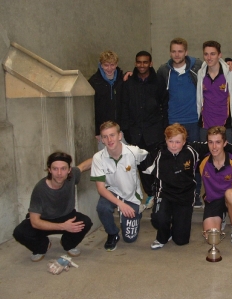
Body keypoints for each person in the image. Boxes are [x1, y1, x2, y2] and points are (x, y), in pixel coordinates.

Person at [143, 123, 232, 250]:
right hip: (165, 195)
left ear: (185, 141)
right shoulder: (158, 153)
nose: (174, 145)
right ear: (166, 140)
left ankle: (176, 227)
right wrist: (152, 191)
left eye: (178, 142)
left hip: (184, 197)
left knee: (181, 240)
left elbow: (217, 145)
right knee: (158, 219)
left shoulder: (192, 149)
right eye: (171, 141)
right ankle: (163, 236)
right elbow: (142, 166)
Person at [13, 152, 93, 262]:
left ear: (69, 170)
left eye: (63, 168)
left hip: (67, 215)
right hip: (44, 220)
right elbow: (35, 222)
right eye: (55, 169)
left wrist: (106, 155)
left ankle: (68, 244)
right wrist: (63, 226)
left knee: (85, 222)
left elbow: (84, 165)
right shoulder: (40, 189)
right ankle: (43, 245)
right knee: (20, 232)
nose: (59, 173)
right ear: (49, 170)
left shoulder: (72, 176)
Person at [157, 38, 204, 208]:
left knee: (193, 160)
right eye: (174, 51)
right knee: (173, 161)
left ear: (186, 51)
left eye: (180, 51)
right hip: (172, 123)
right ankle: (172, 192)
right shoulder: (163, 71)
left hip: (192, 122)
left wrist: (229, 62)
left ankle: (195, 192)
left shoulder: (198, 66)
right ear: (170, 52)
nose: (177, 54)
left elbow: (216, 63)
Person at [91, 121, 148, 252]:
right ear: (101, 139)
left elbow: (148, 159)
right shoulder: (98, 158)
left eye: (112, 135)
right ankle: (112, 233)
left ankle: (136, 212)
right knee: (102, 207)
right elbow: (101, 188)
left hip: (131, 195)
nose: (109, 139)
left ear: (120, 136)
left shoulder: (134, 151)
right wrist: (120, 204)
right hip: (112, 192)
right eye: (105, 136)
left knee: (129, 238)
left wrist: (150, 190)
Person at [121, 51, 168, 210]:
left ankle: (158, 194)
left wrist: (164, 129)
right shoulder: (128, 83)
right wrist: (127, 131)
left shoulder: (159, 82)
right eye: (139, 62)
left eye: (145, 62)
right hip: (135, 133)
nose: (142, 65)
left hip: (154, 132)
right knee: (142, 167)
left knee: (156, 165)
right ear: (135, 63)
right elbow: (124, 108)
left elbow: (165, 105)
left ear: (151, 63)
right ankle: (150, 194)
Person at [199, 126, 232, 251]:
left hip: (230, 197)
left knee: (231, 194)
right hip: (213, 200)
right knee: (210, 237)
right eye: (211, 142)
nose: (214, 147)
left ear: (225, 143)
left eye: (218, 142)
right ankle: (221, 215)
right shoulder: (202, 160)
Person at [196, 41, 232, 144]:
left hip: (225, 126)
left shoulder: (231, 73)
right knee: (206, 158)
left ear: (219, 55)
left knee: (226, 158)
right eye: (206, 54)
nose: (209, 57)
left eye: (213, 54)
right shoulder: (201, 74)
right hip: (205, 125)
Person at [88, 50, 127, 151]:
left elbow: (125, 105)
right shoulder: (94, 82)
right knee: (105, 157)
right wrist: (97, 131)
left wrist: (124, 127)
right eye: (106, 65)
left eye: (112, 65)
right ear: (101, 65)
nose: (109, 68)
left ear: (116, 64)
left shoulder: (122, 80)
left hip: (119, 128)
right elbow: (92, 109)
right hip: (103, 130)